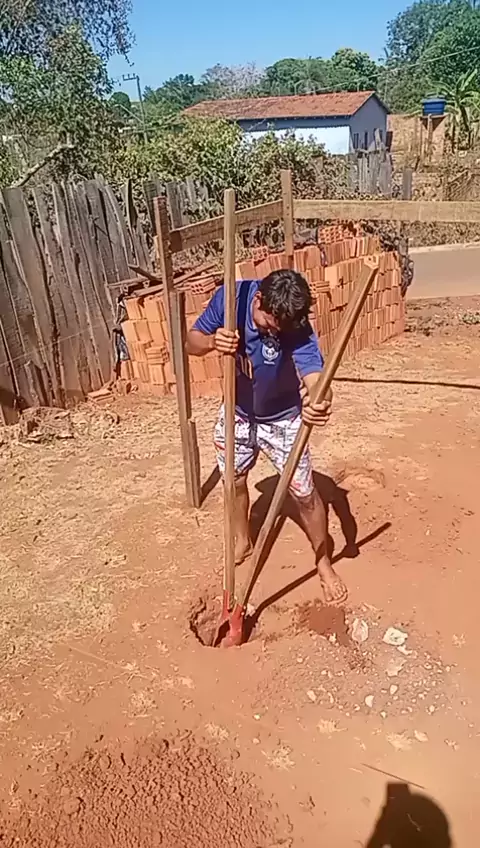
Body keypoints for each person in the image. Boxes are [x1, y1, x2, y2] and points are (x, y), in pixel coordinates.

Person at [186, 268, 347, 604]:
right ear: (258, 299)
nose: (275, 332)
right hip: (238, 412)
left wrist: (320, 400)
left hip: (283, 418)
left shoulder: (293, 322)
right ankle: (242, 541)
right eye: (270, 324)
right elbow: (191, 342)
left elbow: (316, 377)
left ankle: (323, 561)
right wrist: (213, 342)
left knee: (305, 495)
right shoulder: (231, 300)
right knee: (234, 480)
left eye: (281, 329)